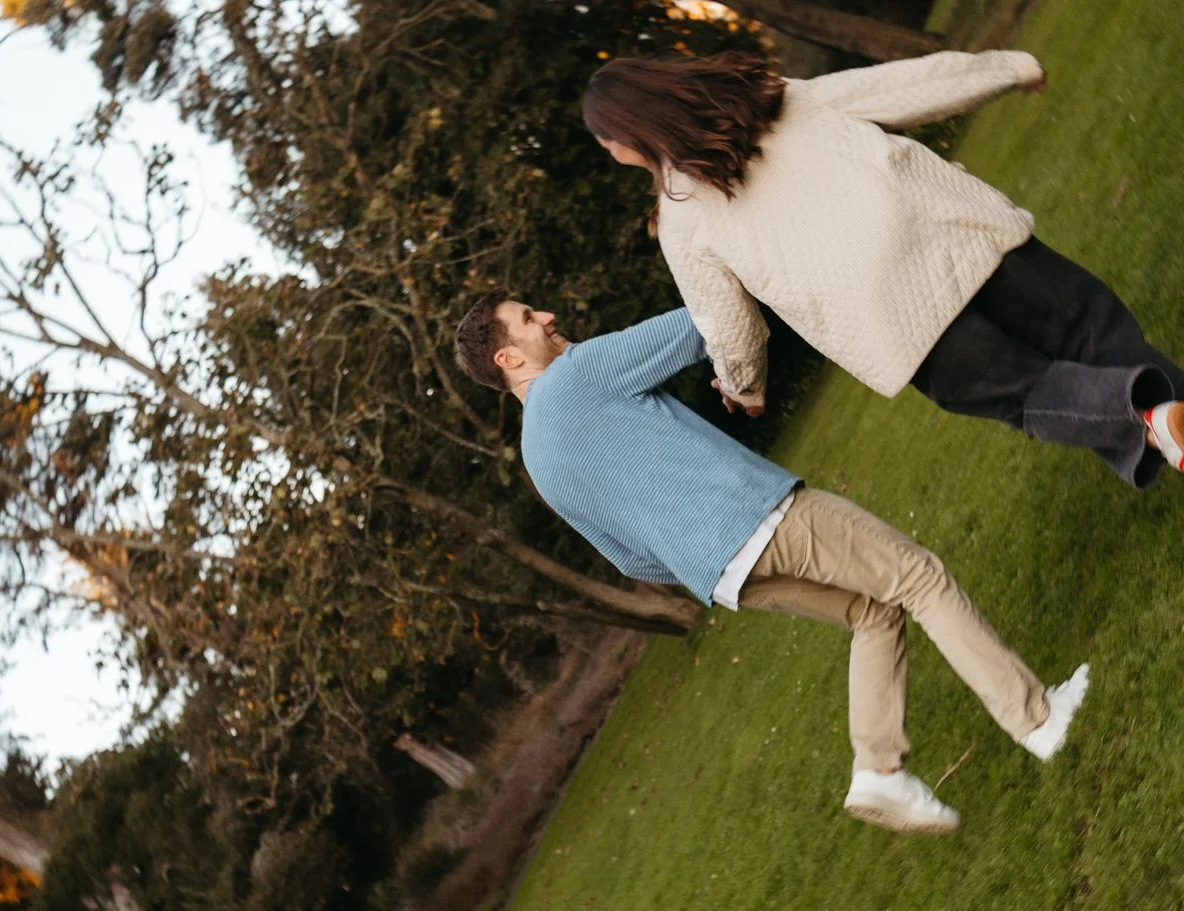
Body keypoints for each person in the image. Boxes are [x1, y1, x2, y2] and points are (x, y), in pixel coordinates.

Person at [452, 294, 1090, 835]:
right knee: (918, 577)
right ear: (509, 359)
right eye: (528, 319)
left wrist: (698, 559)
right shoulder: (574, 374)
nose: (547, 316)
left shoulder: (539, 462)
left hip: (720, 575)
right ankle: (1037, 720)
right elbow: (705, 321)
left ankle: (880, 771)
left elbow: (625, 555)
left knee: (873, 613)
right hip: (758, 517)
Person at [582, 51, 1184, 512]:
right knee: (1092, 328)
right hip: (952, 233)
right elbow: (898, 86)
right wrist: (1004, 68)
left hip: (894, 320)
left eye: (607, 146)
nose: (612, 156)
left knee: (1028, 393)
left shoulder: (682, 217)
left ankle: (1148, 419)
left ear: (627, 137)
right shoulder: (776, 99)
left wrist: (743, 389)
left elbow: (730, 326)